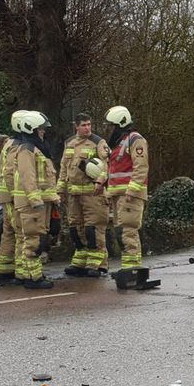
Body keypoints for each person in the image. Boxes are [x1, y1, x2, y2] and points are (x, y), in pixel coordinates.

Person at [58, 112, 110, 277]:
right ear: (77, 126)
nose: (87, 128)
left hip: (92, 193)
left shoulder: (98, 142)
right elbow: (64, 167)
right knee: (76, 228)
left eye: (89, 124)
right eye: (84, 125)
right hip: (74, 194)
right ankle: (80, 261)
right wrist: (60, 189)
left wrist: (101, 180)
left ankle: (97, 264)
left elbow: (109, 164)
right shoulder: (70, 143)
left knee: (93, 229)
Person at [13, 111, 57, 289]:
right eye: (40, 129)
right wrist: (35, 200)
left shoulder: (34, 148)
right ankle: (34, 278)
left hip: (39, 202)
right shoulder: (26, 150)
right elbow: (28, 177)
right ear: (31, 129)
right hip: (32, 204)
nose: (43, 132)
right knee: (33, 240)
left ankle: (30, 274)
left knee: (36, 238)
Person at [104, 105, 149, 277]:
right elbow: (113, 171)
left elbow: (141, 167)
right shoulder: (118, 142)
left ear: (120, 124)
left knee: (128, 230)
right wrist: (109, 193)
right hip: (118, 195)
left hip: (130, 196)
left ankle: (133, 268)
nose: (109, 129)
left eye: (111, 125)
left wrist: (132, 190)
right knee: (121, 231)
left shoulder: (135, 140)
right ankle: (129, 266)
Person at [0, 112, 26, 283]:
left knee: (8, 233)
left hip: (6, 196)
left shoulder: (9, 143)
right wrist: (16, 195)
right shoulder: (17, 146)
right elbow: (9, 173)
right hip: (13, 197)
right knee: (21, 233)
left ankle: (5, 269)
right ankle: (22, 272)